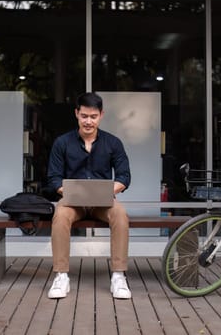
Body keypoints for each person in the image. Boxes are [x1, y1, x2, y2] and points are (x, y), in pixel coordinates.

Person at [46, 92, 132, 299]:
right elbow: (54, 179)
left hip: (104, 201)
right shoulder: (62, 143)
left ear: (101, 115)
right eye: (84, 116)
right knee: (60, 216)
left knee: (120, 215)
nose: (88, 121)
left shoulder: (113, 143)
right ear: (76, 114)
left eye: (93, 116)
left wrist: (105, 192)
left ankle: (119, 276)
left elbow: (124, 177)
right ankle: (61, 276)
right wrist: (71, 192)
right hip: (72, 201)